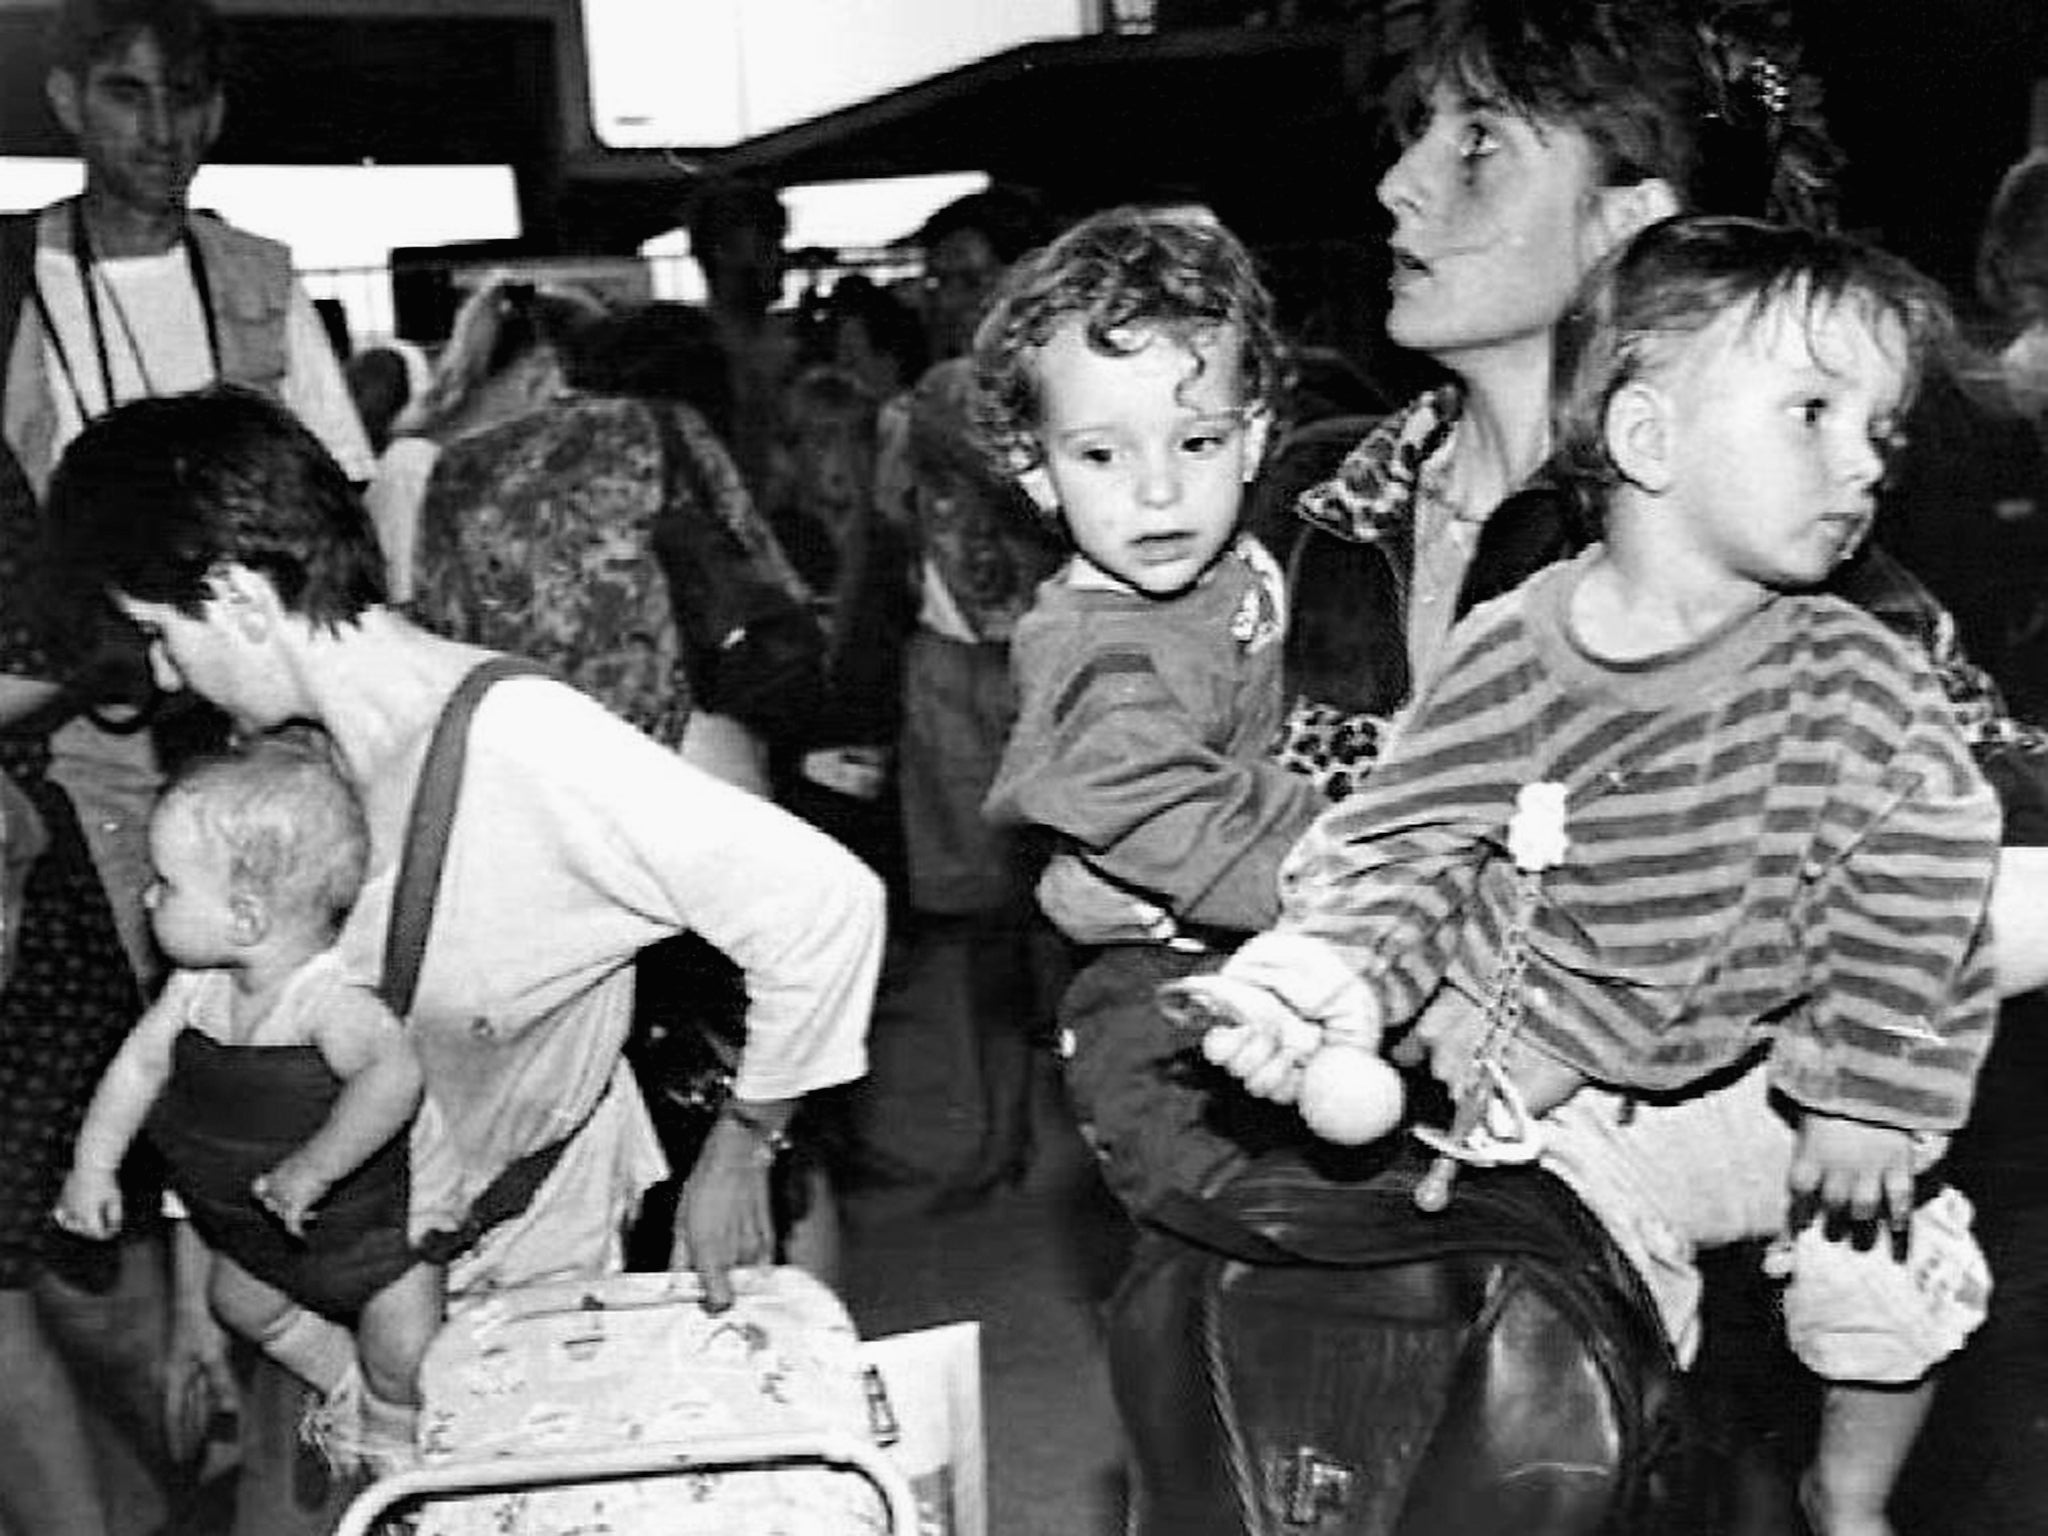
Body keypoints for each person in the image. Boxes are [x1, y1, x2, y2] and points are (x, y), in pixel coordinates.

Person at [1194, 214, 1998, 1536]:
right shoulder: (1516, 653)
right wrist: (1325, 976)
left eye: (1882, 430)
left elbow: (1926, 869)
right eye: (1813, 410)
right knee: (1575, 1348)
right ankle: (1637, 1480)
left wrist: (1865, 1091)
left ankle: (1848, 1503)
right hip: (1576, 1085)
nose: (1863, 460)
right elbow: (1404, 840)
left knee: (1888, 1277)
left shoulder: (1855, 670)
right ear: (1646, 441)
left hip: (1779, 1077)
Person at [44, 385, 886, 1533]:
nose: (163, 678)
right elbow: (220, 1030)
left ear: (237, 595)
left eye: (158, 631)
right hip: (330, 1288)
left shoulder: (517, 743)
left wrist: (743, 1148)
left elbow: (822, 904)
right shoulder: (293, 761)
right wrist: (201, 1292)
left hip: (519, 1305)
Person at [0, 2, 373, 1528]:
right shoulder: (10, 280)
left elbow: (342, 517)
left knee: (279, 1070)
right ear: (67, 98)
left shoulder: (262, 281)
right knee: (128, 1084)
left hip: (260, 736)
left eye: (188, 99)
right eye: (128, 96)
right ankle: (173, 1418)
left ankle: (290, 1432)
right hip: (79, 747)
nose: (161, 130)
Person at [972, 206, 1324, 1215]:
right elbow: (1167, 817)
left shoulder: (1230, 564)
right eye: (1100, 457)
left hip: (1239, 954)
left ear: (1252, 436)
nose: (1159, 492)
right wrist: (1369, 874)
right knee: (1232, 1250)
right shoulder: (1104, 655)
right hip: (1154, 1004)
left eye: (1197, 440)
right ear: (1034, 467)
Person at [54, 731, 439, 1476]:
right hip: (263, 1234)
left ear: (246, 917)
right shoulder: (196, 990)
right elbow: (137, 1066)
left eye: (165, 883)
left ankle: (402, 1461)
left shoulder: (328, 1002)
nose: (147, 895)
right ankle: (347, 1391)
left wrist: (315, 1168)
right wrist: (91, 1169)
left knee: (407, 1355)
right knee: (241, 1302)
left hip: (371, 1237)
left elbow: (395, 1078)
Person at [858, 185, 1067, 1200]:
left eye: (969, 275)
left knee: (1071, 917)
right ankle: (999, 1137)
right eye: (937, 279)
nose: (948, 296)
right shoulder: (921, 403)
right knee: (982, 926)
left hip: (1043, 669)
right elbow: (891, 529)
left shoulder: (1031, 389)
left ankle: (1087, 1137)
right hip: (946, 667)